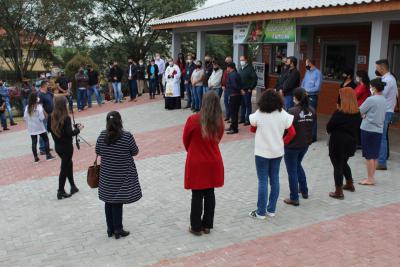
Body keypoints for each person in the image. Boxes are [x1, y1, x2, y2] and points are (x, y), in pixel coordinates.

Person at [183, 91, 224, 236]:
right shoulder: (219, 121)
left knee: (197, 194)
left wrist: (194, 150)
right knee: (210, 193)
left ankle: (196, 227)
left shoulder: (193, 119)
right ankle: (207, 225)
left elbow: (185, 140)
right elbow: (219, 138)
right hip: (213, 160)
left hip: (196, 161)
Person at [96, 111, 142, 239]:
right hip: (122, 174)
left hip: (107, 175)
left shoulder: (102, 135)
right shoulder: (126, 136)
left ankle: (110, 229)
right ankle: (118, 229)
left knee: (108, 200)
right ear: (120, 121)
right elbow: (135, 151)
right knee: (117, 201)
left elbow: (98, 151)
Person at [249, 89, 294, 219]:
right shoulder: (283, 113)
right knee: (274, 179)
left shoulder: (260, 113)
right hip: (277, 151)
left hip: (262, 151)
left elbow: (252, 128)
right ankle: (271, 210)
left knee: (262, 180)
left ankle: (260, 212)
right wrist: (282, 142)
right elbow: (292, 132)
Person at [327, 88, 361, 199]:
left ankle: (338, 192)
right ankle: (350, 184)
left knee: (337, 166)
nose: (340, 98)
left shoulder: (340, 113)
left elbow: (329, 126)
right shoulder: (357, 113)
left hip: (337, 143)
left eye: (341, 96)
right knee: (343, 163)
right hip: (351, 142)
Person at [283, 88, 316, 206]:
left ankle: (294, 198)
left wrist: (283, 141)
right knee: (297, 165)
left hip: (292, 145)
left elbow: (286, 129)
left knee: (292, 170)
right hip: (305, 144)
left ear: (296, 98)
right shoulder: (312, 110)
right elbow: (312, 127)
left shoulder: (291, 111)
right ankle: (304, 190)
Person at [48, 95, 83, 200]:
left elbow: (49, 130)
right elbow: (69, 133)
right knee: (64, 168)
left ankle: (73, 186)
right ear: (63, 105)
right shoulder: (66, 118)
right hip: (67, 147)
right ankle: (60, 191)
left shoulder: (51, 116)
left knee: (68, 164)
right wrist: (78, 129)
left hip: (58, 147)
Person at [358, 78, 387, 186]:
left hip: (368, 129)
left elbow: (360, 110)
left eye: (370, 87)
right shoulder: (384, 99)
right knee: (374, 155)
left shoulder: (371, 99)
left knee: (369, 156)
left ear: (374, 88)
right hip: (378, 129)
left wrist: (364, 115)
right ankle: (371, 177)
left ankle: (370, 179)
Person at [375, 59, 398, 170]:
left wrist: (373, 90)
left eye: (377, 68)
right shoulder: (387, 78)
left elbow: (381, 94)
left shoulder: (388, 80)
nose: (376, 69)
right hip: (386, 110)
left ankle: (382, 162)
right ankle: (383, 157)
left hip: (386, 111)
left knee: (382, 137)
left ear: (382, 68)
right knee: (383, 136)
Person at [24, 93, 55, 163]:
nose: (38, 98)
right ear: (35, 99)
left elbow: (25, 117)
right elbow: (42, 118)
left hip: (31, 128)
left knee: (34, 142)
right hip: (39, 127)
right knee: (46, 139)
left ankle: (36, 158)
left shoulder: (27, 107)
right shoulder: (39, 107)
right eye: (37, 97)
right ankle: (48, 155)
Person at [301, 58, 322, 142]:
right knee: (305, 115)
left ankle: (313, 137)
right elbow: (303, 82)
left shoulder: (318, 73)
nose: (305, 65)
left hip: (312, 97)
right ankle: (306, 134)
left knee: (312, 116)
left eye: (306, 63)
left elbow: (317, 87)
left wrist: (307, 91)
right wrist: (303, 90)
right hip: (305, 96)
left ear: (310, 63)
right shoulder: (307, 72)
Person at [239, 56, 258, 125]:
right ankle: (242, 118)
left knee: (247, 105)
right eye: (240, 60)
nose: (241, 62)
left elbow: (255, 79)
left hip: (247, 90)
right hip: (241, 90)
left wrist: (251, 88)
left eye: (242, 60)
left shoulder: (250, 68)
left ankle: (248, 120)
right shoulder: (240, 69)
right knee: (242, 105)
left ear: (246, 60)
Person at [225, 62, 242, 134]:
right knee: (233, 112)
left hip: (234, 95)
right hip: (235, 95)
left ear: (230, 67)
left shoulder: (232, 75)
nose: (227, 69)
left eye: (227, 67)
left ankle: (234, 129)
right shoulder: (235, 73)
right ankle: (232, 126)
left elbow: (234, 85)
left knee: (233, 112)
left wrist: (230, 88)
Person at [38, 80, 54, 155]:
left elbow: (55, 95)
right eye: (47, 85)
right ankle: (42, 148)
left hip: (51, 114)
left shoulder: (48, 93)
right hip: (44, 116)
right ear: (44, 86)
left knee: (47, 131)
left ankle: (46, 146)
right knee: (43, 132)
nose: (49, 86)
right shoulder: (40, 94)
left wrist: (65, 94)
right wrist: (45, 114)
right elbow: (40, 106)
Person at [221, 56, 233, 121]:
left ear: (230, 61)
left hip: (230, 89)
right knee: (225, 102)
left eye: (226, 61)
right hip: (225, 89)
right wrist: (222, 85)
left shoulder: (232, 69)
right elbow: (223, 78)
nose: (225, 62)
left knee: (230, 103)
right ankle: (227, 115)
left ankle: (231, 116)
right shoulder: (225, 70)